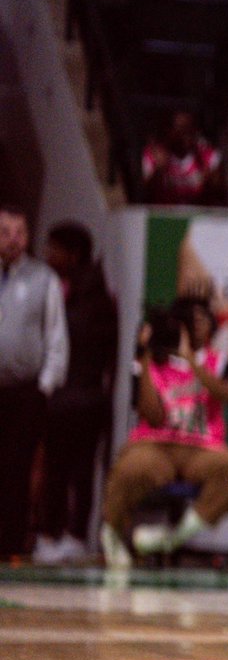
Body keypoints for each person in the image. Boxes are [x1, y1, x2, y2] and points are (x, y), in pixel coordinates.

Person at [100, 301, 228, 568]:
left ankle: (173, 538)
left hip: (202, 447)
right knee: (131, 469)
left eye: (203, 318)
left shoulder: (220, 362)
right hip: (155, 443)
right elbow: (153, 416)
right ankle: (112, 533)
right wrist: (143, 356)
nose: (198, 325)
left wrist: (191, 360)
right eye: (192, 320)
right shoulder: (151, 361)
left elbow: (227, 395)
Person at [33, 223, 118, 565]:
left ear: (73, 254)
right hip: (67, 396)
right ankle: (53, 534)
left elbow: (92, 351)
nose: (47, 255)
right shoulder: (60, 289)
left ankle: (71, 535)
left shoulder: (90, 299)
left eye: (54, 249)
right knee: (58, 469)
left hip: (80, 397)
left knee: (75, 470)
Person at [0, 206, 68, 557]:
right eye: (5, 232)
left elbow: (56, 337)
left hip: (24, 392)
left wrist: (45, 386)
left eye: (20, 233)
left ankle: (10, 546)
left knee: (16, 470)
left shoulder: (44, 279)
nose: (13, 240)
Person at [142, 110, 224, 205]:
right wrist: (158, 170)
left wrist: (212, 181)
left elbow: (222, 195)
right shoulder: (154, 154)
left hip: (197, 211)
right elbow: (143, 193)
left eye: (190, 130)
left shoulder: (208, 156)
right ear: (170, 131)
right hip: (164, 211)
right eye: (181, 129)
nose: (186, 135)